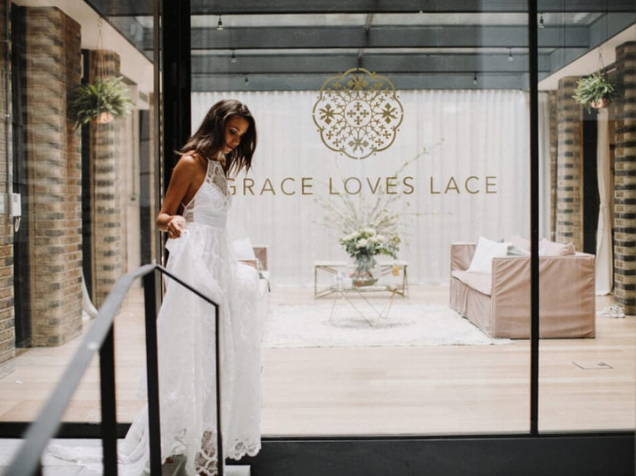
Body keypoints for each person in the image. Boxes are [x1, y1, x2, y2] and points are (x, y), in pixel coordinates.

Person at [50, 99, 265, 476]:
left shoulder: (219, 167)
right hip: (195, 264)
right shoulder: (191, 163)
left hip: (218, 265)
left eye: (241, 135)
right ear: (215, 125)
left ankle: (202, 447)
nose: (234, 141)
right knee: (191, 351)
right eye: (232, 132)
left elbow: (222, 225)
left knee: (216, 355)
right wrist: (176, 224)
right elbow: (164, 213)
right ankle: (176, 442)